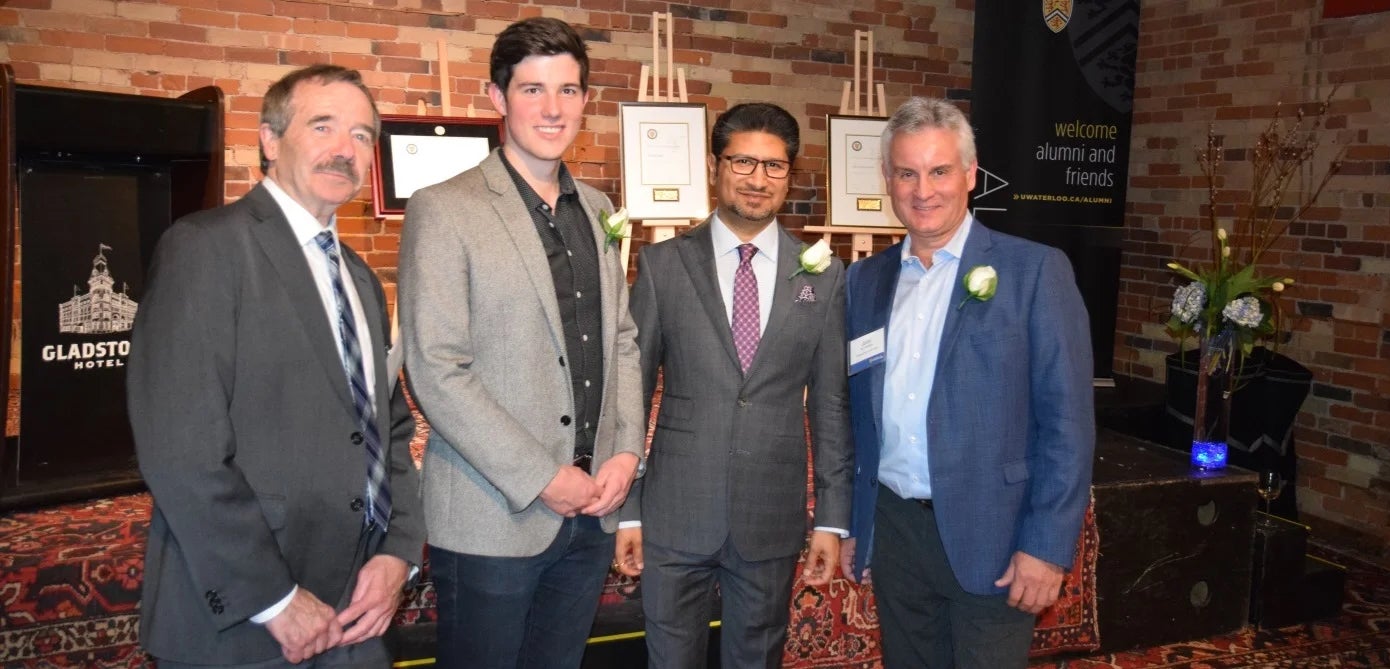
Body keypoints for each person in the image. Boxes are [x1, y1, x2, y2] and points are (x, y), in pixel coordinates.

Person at [128, 64, 424, 668]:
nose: (346, 149)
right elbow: (181, 450)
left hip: (359, 612)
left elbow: (388, 428)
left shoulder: (362, 279)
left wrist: (398, 553)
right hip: (247, 623)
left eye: (363, 136)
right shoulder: (205, 249)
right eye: (323, 126)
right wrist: (274, 599)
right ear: (269, 139)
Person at [398, 16, 645, 669]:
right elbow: (436, 369)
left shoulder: (600, 209)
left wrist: (625, 449)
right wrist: (542, 477)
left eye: (568, 90)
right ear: (496, 98)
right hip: (491, 514)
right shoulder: (444, 207)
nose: (552, 107)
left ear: (586, 100)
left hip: (590, 511)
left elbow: (621, 336)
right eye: (533, 89)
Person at [840, 97, 1095, 668]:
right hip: (896, 530)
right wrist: (859, 523)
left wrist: (1047, 548)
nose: (922, 190)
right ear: (888, 180)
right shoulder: (865, 280)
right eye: (906, 173)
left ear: (970, 175)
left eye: (939, 171)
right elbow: (857, 415)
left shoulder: (1033, 272)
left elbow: (1068, 425)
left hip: (995, 533)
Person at [613, 102, 853, 668]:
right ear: (716, 166)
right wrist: (627, 509)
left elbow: (831, 404)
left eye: (774, 166)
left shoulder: (822, 273)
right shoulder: (662, 265)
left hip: (770, 515)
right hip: (674, 511)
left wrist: (832, 518)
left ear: (790, 177)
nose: (757, 178)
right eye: (743, 161)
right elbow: (630, 391)